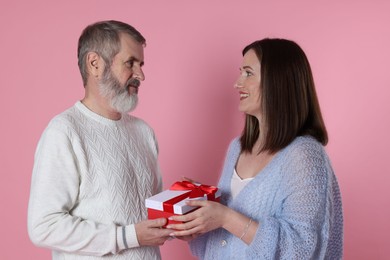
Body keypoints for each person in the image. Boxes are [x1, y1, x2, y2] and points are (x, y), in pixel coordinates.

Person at [168, 38, 343, 259]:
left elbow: (302, 248)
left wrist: (226, 217)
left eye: (248, 73)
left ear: (277, 81)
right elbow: (223, 242)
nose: (237, 83)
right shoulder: (238, 148)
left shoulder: (305, 156)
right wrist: (199, 214)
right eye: (240, 72)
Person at [27, 20, 173, 259]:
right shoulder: (64, 132)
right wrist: (127, 236)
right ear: (95, 64)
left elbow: (148, 216)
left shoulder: (143, 131)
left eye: (141, 64)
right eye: (130, 63)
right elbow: (44, 226)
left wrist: (181, 213)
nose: (141, 75)